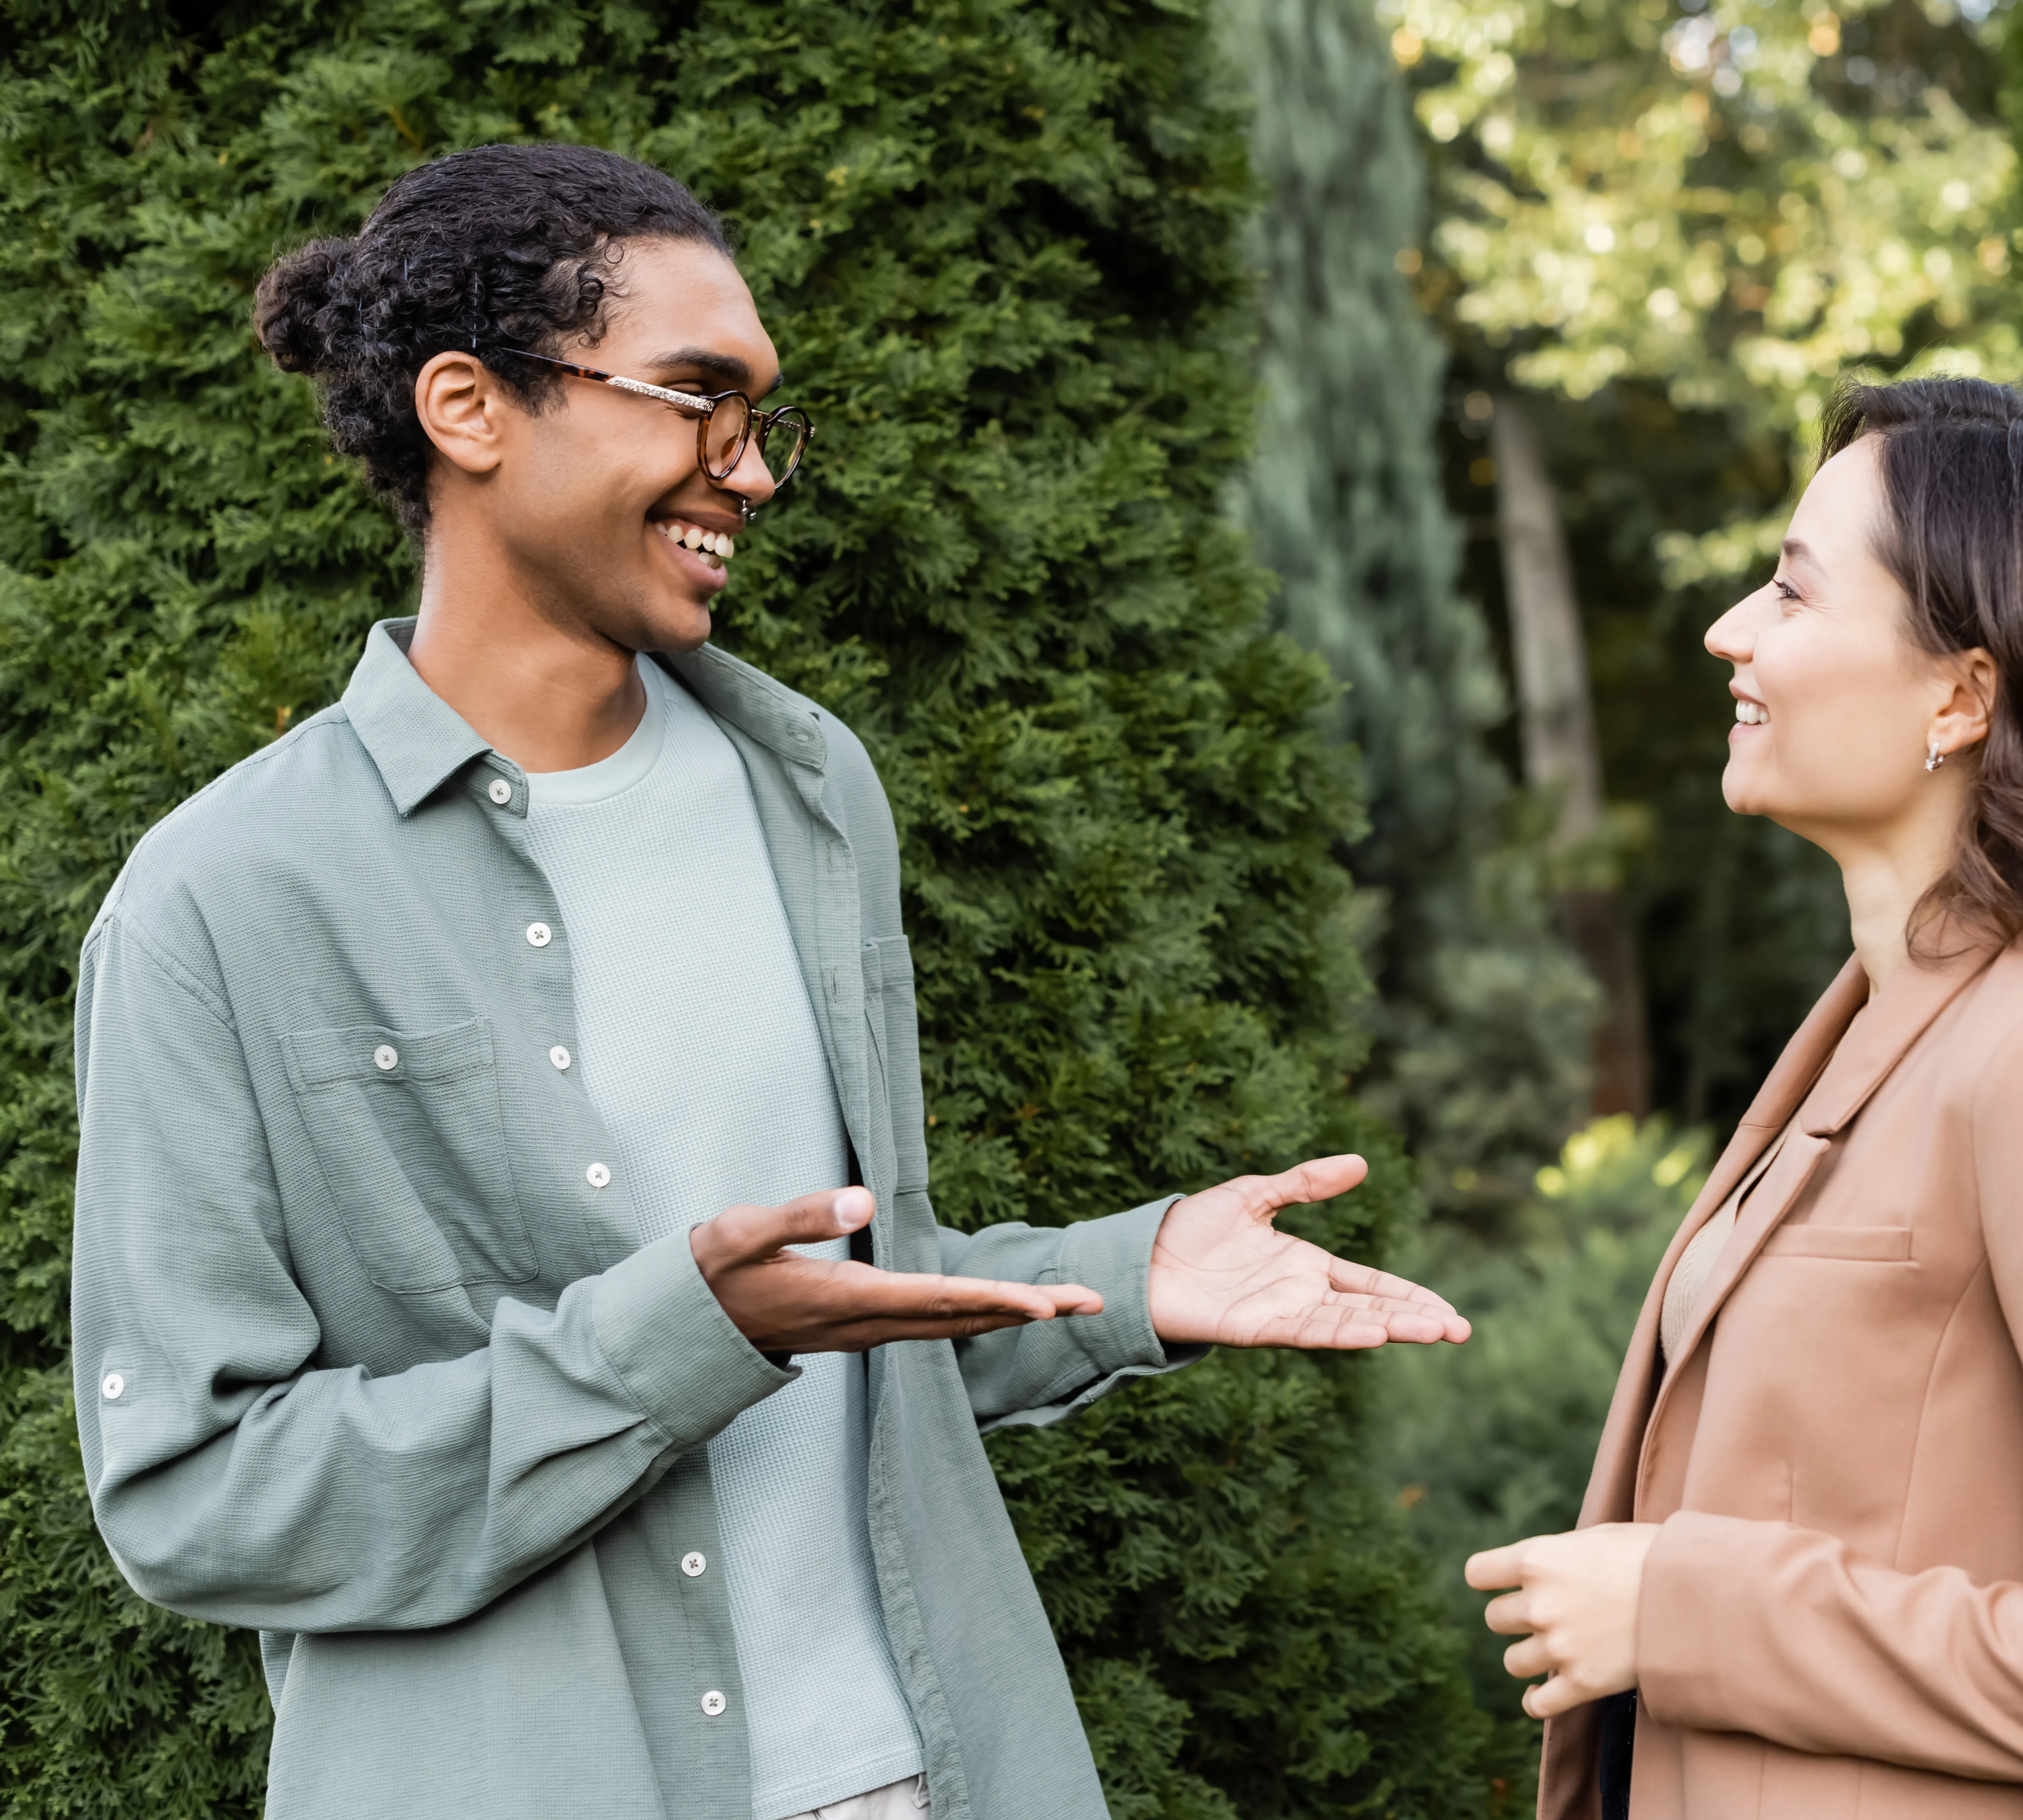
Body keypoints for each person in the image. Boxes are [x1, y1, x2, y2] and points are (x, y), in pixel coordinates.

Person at [69, 143, 1466, 1820]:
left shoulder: (811, 788)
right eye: (694, 399)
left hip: (929, 1777)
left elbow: (836, 1302)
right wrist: (659, 1350)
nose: (750, 473)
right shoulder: (220, 901)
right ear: (469, 406)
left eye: (759, 420)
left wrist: (1126, 1278)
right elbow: (192, 1496)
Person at [1466, 378, 2023, 1819]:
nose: (1730, 629)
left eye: (1792, 592)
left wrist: (1687, 1608)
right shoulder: (1876, 1023)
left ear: (1963, 694)